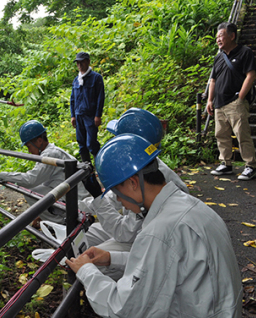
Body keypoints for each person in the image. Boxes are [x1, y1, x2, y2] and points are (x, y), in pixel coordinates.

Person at [66, 134, 243, 317]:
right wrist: (112, 258)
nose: (119, 200)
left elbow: (123, 309)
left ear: (133, 183)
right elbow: (163, 264)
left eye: (117, 193)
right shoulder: (190, 205)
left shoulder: (160, 231)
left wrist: (86, 271)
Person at [79, 108, 188, 281]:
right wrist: (78, 203)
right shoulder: (148, 166)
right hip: (139, 234)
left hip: (147, 243)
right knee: (89, 233)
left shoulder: (146, 183)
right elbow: (116, 200)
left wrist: (96, 200)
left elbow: (125, 233)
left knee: (92, 263)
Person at [0, 120, 91, 224]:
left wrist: (2, 175)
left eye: (29, 146)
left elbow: (31, 180)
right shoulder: (50, 152)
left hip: (79, 202)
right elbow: (41, 180)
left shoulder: (50, 154)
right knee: (37, 189)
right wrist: (42, 214)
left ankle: (62, 224)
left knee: (30, 192)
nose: (29, 151)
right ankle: (54, 219)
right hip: (72, 195)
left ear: (39, 141)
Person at [206, 22, 256, 180]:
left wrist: (241, 96)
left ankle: (250, 166)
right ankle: (226, 163)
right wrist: (209, 100)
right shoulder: (218, 57)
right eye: (217, 37)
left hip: (235, 101)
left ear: (232, 36)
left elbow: (251, 75)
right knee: (221, 134)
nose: (218, 40)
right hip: (219, 103)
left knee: (242, 134)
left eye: (221, 36)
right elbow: (213, 80)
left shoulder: (244, 52)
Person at [70, 52, 105, 163]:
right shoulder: (76, 80)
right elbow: (72, 99)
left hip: (90, 116)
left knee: (91, 143)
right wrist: (72, 116)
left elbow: (100, 97)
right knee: (81, 143)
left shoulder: (96, 78)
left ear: (88, 62)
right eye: (78, 63)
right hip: (78, 115)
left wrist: (98, 115)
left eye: (82, 62)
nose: (80, 65)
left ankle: (100, 167)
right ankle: (87, 171)